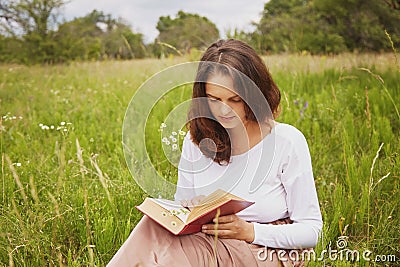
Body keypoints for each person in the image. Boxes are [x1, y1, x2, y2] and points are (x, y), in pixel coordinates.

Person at [108, 39, 322, 267]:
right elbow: (180, 214)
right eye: (214, 99)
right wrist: (192, 208)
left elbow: (311, 231)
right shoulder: (196, 140)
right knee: (151, 227)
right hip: (207, 240)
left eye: (235, 100)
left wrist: (250, 231)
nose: (223, 110)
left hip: (263, 246)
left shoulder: (286, 141)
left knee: (170, 259)